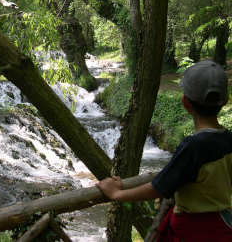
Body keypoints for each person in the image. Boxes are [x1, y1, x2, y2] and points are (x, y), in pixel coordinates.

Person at [96, 60, 232, 242]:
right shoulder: (228, 138)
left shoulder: (193, 146)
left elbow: (158, 187)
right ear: (225, 101)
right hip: (223, 224)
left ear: (185, 103)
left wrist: (117, 194)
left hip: (194, 230)